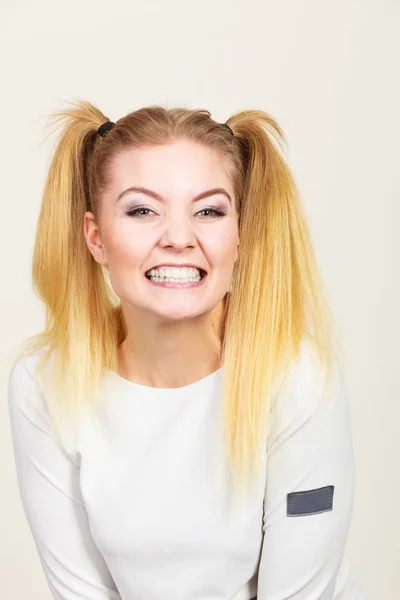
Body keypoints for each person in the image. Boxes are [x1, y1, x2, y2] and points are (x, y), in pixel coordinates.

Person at [7, 100, 366, 599]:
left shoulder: (298, 378)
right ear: (96, 238)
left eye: (209, 211)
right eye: (142, 210)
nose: (178, 237)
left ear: (239, 235)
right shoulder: (44, 383)